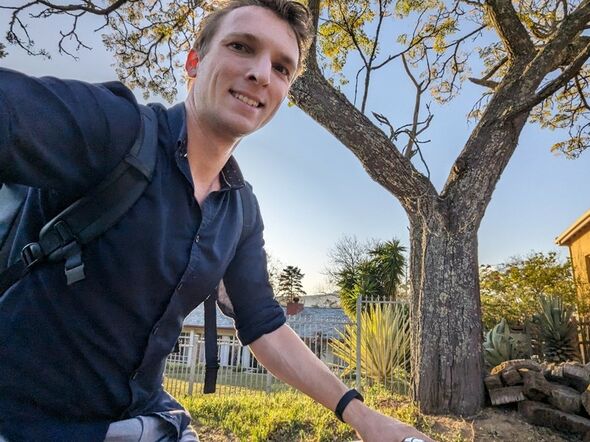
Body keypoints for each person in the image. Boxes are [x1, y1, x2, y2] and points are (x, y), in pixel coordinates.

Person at [0, 0, 433, 441]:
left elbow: (264, 323)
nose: (262, 74)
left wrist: (364, 417)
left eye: (282, 68)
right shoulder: (116, 130)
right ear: (194, 62)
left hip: (143, 421)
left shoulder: (240, 211)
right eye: (242, 46)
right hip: (20, 420)